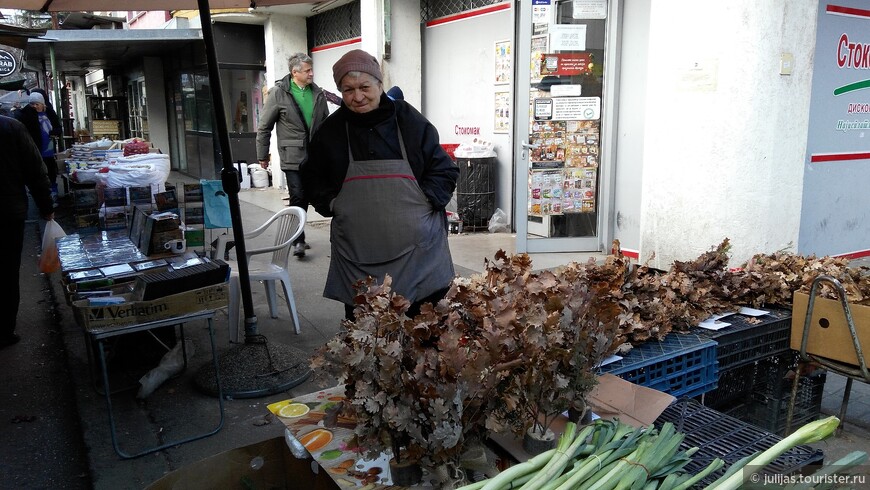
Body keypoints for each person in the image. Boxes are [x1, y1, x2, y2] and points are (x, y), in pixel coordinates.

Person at [301, 49, 460, 320]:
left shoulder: (410, 121)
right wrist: (332, 203)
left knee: (427, 335)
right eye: (348, 90)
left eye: (364, 87)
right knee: (368, 337)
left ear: (379, 84)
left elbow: (444, 169)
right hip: (359, 257)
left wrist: (426, 201)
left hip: (419, 254)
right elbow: (312, 176)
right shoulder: (331, 131)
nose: (357, 96)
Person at [256, 52, 330, 259]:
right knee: (297, 194)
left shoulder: (318, 93)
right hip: (292, 155)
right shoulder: (278, 93)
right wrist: (263, 155)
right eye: (307, 70)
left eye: (311, 70)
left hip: (315, 155)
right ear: (294, 72)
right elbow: (264, 127)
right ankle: (298, 240)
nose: (311, 74)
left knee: (309, 195)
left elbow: (327, 124)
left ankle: (298, 233)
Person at [0, 115, 55, 348]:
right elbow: (35, 170)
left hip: (9, 211)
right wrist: (46, 207)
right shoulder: (10, 127)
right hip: (7, 213)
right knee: (6, 272)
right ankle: (3, 331)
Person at [16, 91, 60, 203]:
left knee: (51, 171)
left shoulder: (49, 112)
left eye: (37, 104)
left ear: (42, 104)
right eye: (32, 104)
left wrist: (54, 132)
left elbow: (58, 128)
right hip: (34, 148)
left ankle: (53, 193)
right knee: (37, 173)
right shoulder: (26, 114)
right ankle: (41, 196)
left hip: (49, 148)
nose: (35, 106)